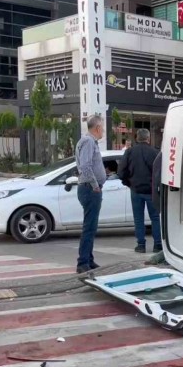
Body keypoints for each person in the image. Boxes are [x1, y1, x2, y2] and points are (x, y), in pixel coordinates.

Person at [118, 128, 162, 253]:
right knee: (155, 218)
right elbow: (160, 173)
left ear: (137, 138)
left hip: (135, 190)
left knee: (138, 218)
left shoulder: (130, 152)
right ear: (148, 138)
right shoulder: (155, 153)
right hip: (151, 191)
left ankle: (141, 245)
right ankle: (157, 244)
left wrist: (128, 183)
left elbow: (121, 171)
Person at [76, 115, 107, 273]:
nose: (103, 131)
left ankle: (88, 258)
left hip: (89, 187)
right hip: (90, 188)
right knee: (89, 227)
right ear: (97, 128)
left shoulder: (88, 141)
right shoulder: (88, 141)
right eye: (102, 127)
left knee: (91, 226)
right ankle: (82, 263)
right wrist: (95, 185)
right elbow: (86, 166)